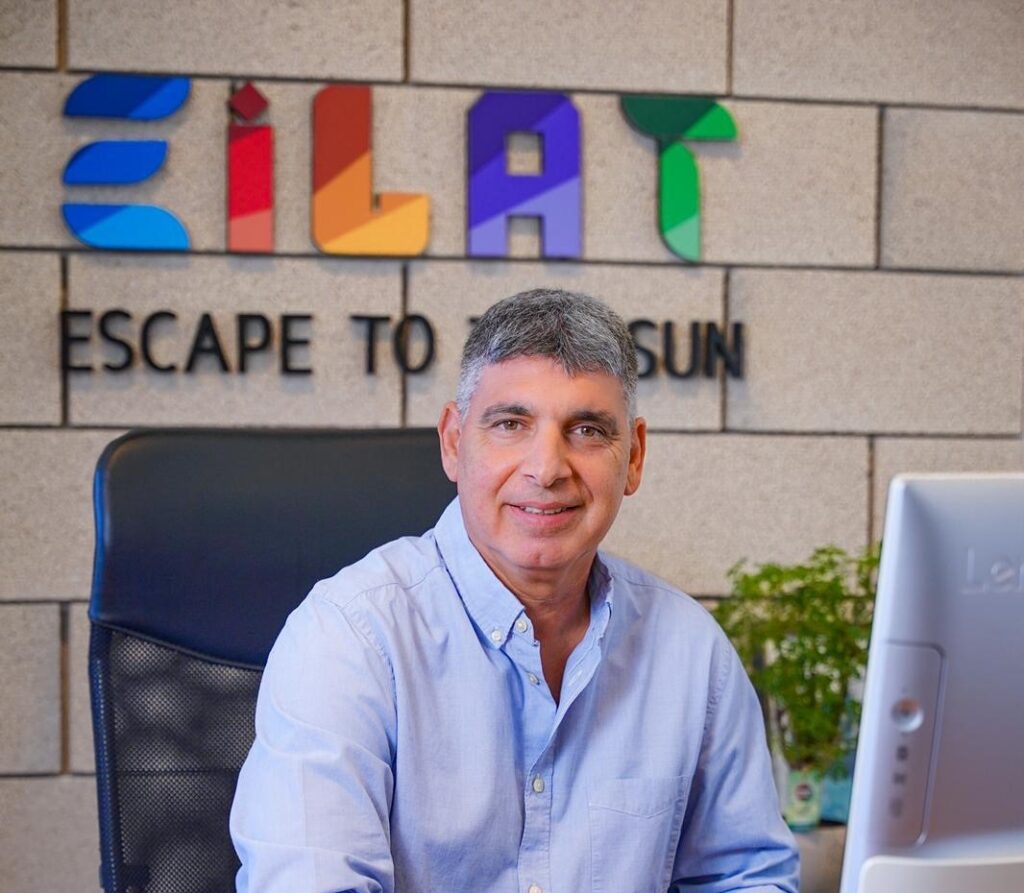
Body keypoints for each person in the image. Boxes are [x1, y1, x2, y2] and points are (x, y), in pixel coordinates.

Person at [230, 288, 799, 893]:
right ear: (454, 442)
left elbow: (746, 878)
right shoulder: (350, 637)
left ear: (633, 457)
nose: (547, 468)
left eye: (586, 430)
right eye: (510, 424)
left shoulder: (692, 653)